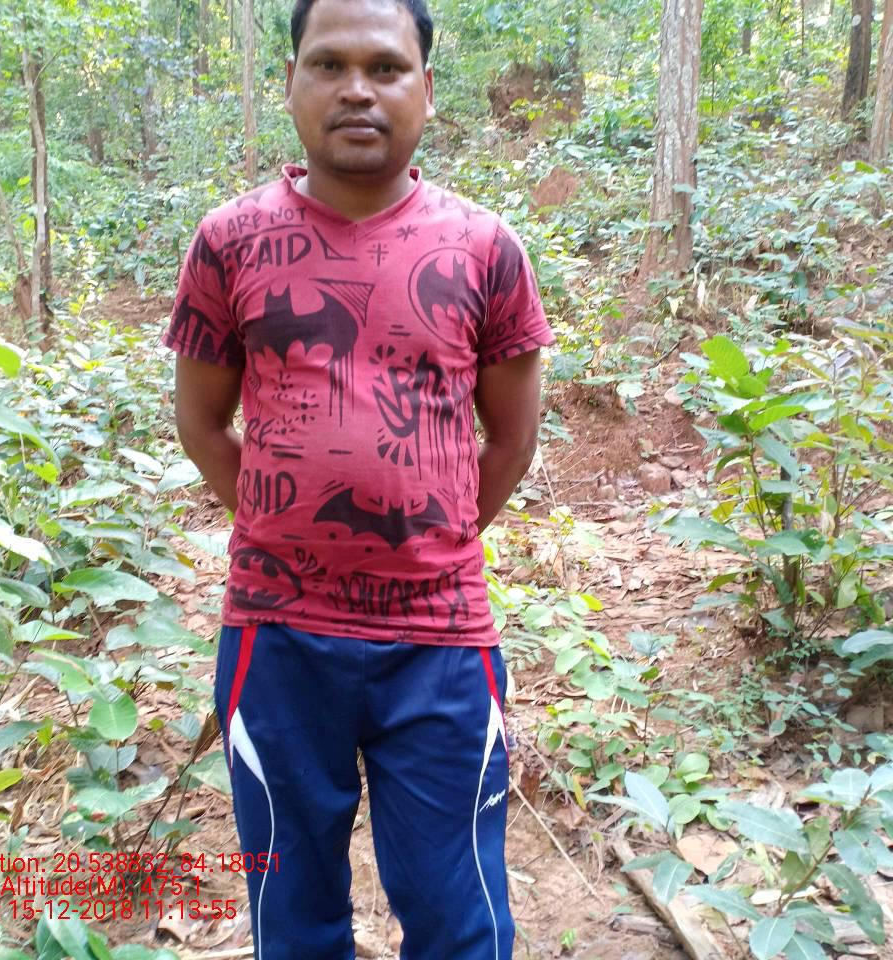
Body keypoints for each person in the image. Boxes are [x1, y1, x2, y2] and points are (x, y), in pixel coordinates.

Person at [163, 0, 555, 955]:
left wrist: (426, 540)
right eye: (328, 64)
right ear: (291, 81)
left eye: (385, 67)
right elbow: (202, 422)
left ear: (426, 87)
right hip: (277, 640)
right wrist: (283, 525)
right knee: (291, 911)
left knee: (459, 913)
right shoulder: (229, 239)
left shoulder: (485, 247)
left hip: (441, 640)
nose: (356, 90)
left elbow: (510, 441)